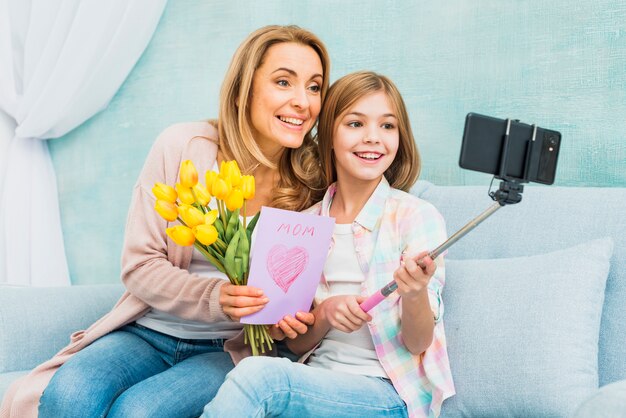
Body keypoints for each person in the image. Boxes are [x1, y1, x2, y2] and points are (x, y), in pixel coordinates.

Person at [0, 25, 331, 418]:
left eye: (314, 87)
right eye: (283, 82)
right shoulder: (185, 147)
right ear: (244, 90)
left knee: (138, 412)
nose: (302, 102)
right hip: (146, 331)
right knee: (68, 395)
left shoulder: (314, 181)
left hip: (228, 350)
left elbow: (305, 289)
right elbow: (140, 265)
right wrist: (214, 299)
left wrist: (291, 317)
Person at [202, 71, 456, 418]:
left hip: (387, 392)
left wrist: (414, 293)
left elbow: (418, 343)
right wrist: (324, 314)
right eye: (355, 124)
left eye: (387, 126)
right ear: (328, 138)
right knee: (262, 379)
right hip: (316, 382)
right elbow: (295, 345)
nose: (373, 139)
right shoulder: (303, 226)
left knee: (258, 379)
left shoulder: (416, 216)